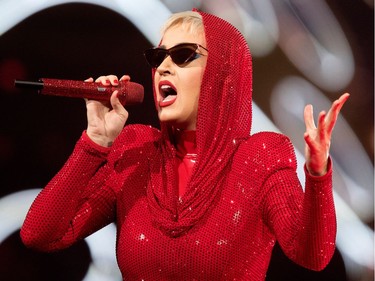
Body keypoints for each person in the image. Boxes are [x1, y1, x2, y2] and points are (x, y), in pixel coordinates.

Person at [21, 9, 349, 281]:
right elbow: (40, 234)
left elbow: (312, 255)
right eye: (158, 56)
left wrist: (318, 174)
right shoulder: (135, 153)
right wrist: (95, 141)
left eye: (182, 56)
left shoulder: (258, 157)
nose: (163, 66)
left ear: (223, 72)